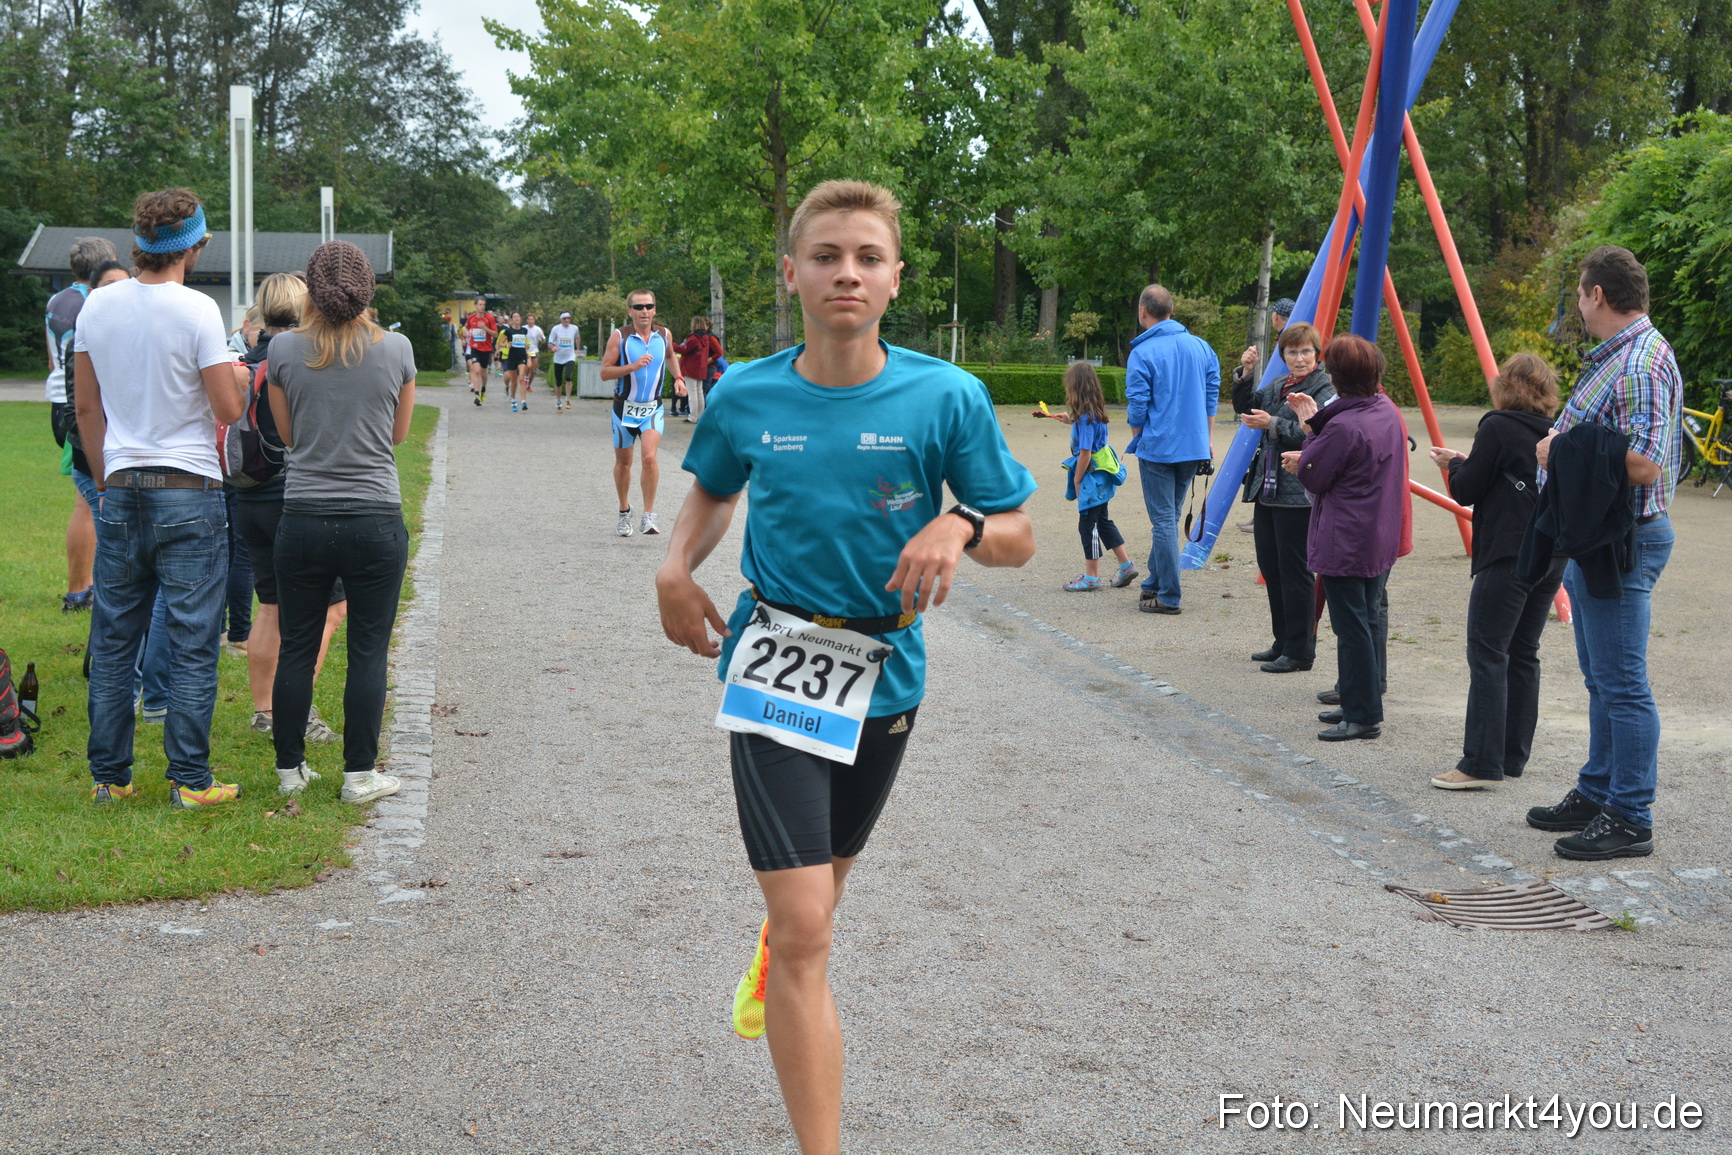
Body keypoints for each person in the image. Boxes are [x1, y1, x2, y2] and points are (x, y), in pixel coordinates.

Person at [657, 179, 1036, 1155]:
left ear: (894, 278)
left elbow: (1021, 536)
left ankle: (783, 941)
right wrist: (671, 568)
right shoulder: (747, 393)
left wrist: (960, 522)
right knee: (807, 929)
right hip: (773, 657)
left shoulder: (943, 396)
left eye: (867, 257)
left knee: (819, 900)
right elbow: (710, 489)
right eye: (826, 255)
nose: (846, 273)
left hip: (885, 671)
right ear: (791, 274)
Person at [73, 187, 247, 808]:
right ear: (193, 246)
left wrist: (105, 475)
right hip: (189, 489)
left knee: (115, 639)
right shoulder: (198, 310)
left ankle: (109, 779)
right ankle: (190, 781)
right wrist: (244, 380)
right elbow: (227, 409)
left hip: (121, 485)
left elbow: (86, 407)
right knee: (194, 638)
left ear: (139, 245)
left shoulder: (97, 308)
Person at [1523, 246, 1681, 860]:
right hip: (1601, 541)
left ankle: (1631, 816)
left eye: (1581, 295)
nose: (1579, 307)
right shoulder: (1624, 356)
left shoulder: (1638, 363)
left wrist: (1558, 449)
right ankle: (1598, 790)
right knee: (1601, 680)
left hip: (1625, 543)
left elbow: (1644, 463)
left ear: (1596, 295)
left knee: (1622, 685)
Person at [265, 240, 413, 805]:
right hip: (374, 515)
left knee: (297, 646)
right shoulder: (395, 348)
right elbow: (397, 436)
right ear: (368, 289)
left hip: (303, 515)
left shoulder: (282, 350)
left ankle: (289, 770)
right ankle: (359, 775)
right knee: (369, 649)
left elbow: (289, 437)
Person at [1425, 355, 1566, 790]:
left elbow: (1467, 489)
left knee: (1488, 652)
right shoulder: (1555, 431)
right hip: (1552, 553)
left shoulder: (1499, 426)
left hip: (1508, 552)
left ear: (1505, 386)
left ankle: (1480, 762)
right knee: (1523, 652)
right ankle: (1511, 755)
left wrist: (1453, 465)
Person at [230, 271, 347, 742]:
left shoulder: (243, 360)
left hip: (247, 495)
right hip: (290, 498)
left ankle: (263, 712)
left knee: (271, 607)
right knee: (328, 608)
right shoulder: (301, 361)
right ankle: (293, 710)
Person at [1282, 334, 1409, 742]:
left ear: (1337, 377)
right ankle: (1360, 699)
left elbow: (1316, 474)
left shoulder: (1345, 425)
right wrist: (1317, 424)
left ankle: (1363, 715)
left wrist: (1309, 435)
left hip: (1347, 536)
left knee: (1351, 625)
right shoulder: (1385, 409)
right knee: (1366, 618)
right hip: (1378, 530)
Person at [1233, 322, 1334, 673]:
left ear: (1316, 354)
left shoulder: (1323, 388)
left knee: (1296, 572)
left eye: (1306, 351)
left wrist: (1271, 425)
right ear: (1284, 355)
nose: (1300, 358)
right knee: (1271, 568)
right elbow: (1246, 409)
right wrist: (1245, 374)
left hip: (1298, 493)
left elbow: (1315, 434)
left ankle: (1301, 650)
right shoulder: (1277, 385)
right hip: (1268, 488)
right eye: (1292, 352)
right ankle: (1283, 640)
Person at [1124, 284, 1219, 615]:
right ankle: (1153, 581)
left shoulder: (1143, 352)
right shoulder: (1202, 347)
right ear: (1172, 311)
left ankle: (1169, 595)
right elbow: (1211, 394)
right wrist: (1205, 439)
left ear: (1143, 311)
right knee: (1170, 517)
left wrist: (1138, 434)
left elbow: (1137, 404)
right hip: (1194, 446)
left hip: (1159, 447)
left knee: (1163, 520)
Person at [46, 236, 119, 613]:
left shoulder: (57, 301)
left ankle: (79, 588)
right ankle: (84, 589)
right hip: (82, 408)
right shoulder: (93, 306)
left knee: (82, 501)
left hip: (59, 402)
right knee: (91, 503)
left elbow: (53, 359)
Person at [1045, 362, 1136, 590]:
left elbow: (1085, 452)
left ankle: (1091, 577)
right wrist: (1070, 420)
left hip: (1091, 477)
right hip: (1102, 475)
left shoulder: (1085, 418)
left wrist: (1077, 478)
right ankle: (1126, 566)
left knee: (1088, 524)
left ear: (1075, 388)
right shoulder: (1094, 413)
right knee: (1103, 521)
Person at [600, 289, 675, 536]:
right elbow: (605, 372)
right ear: (630, 311)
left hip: (652, 408)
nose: (644, 311)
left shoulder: (663, 335)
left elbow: (671, 356)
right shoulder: (620, 337)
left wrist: (680, 378)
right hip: (624, 409)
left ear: (654, 309)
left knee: (650, 458)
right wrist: (632, 366)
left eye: (649, 306)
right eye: (639, 307)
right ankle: (624, 512)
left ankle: (649, 515)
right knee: (624, 464)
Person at [673, 315, 724, 424]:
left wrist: (672, 345)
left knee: (692, 393)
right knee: (700, 392)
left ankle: (693, 416)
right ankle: (700, 416)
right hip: (701, 368)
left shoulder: (693, 338)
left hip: (691, 368)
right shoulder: (707, 337)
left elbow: (684, 350)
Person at [462, 297, 497, 406]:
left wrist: (485, 328)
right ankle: (477, 395)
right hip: (474, 348)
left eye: (483, 305)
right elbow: (465, 328)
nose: (482, 307)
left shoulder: (489, 318)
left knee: (483, 373)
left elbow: (495, 334)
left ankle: (483, 389)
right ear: (476, 305)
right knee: (475, 370)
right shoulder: (471, 318)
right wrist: (466, 333)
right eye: (480, 304)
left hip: (486, 349)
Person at [547, 310, 580, 411]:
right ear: (561, 319)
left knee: (568, 376)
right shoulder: (556, 329)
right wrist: (552, 348)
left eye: (568, 318)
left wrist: (578, 349)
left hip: (570, 356)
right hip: (558, 358)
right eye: (564, 318)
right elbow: (550, 343)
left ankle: (567, 398)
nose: (566, 320)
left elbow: (577, 337)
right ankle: (558, 400)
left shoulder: (574, 328)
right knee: (558, 381)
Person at [500, 311, 530, 411]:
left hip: (522, 356)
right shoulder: (508, 331)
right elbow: (500, 343)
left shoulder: (524, 330)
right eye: (514, 317)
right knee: (514, 382)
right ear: (512, 320)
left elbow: (526, 342)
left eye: (518, 317)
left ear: (520, 319)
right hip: (512, 357)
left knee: (521, 377)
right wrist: (506, 345)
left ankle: (523, 402)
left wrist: (527, 346)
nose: (517, 319)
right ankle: (513, 400)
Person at [523, 313, 545, 394]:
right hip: (526, 350)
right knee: (527, 367)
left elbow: (543, 341)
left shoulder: (538, 329)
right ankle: (525, 377)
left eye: (532, 319)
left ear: (534, 320)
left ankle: (529, 384)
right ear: (527, 320)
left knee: (533, 370)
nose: (530, 321)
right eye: (529, 319)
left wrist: (542, 338)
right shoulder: (523, 328)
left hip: (534, 350)